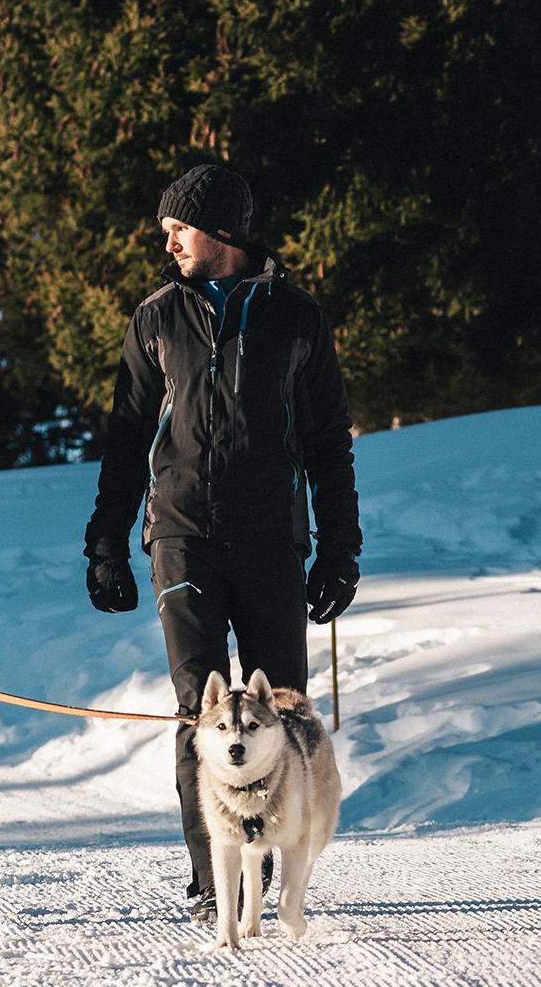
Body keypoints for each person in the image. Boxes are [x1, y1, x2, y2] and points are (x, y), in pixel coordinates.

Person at [83, 164, 361, 925]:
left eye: (179, 227)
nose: (166, 239)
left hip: (273, 539)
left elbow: (329, 440)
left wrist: (341, 547)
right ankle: (217, 885)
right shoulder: (155, 319)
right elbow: (126, 436)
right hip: (182, 538)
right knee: (197, 710)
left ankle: (266, 870)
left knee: (281, 710)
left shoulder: (296, 317)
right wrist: (106, 539)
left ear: (224, 232)